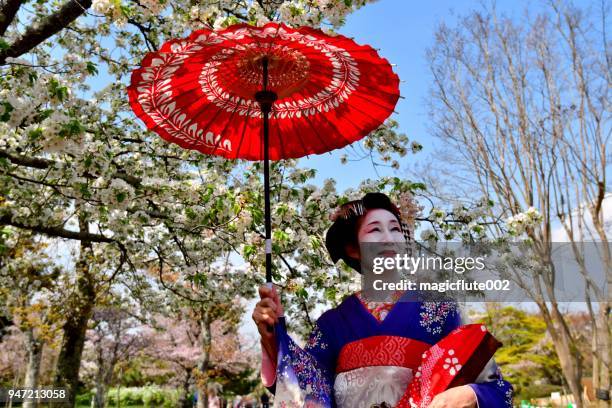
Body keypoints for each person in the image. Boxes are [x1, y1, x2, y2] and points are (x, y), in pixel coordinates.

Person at [252, 192, 513, 407]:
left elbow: (498, 388)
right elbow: (306, 389)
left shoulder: (439, 310)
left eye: (395, 229)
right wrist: (273, 337)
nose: (389, 238)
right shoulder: (332, 325)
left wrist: (469, 395)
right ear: (352, 248)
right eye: (375, 230)